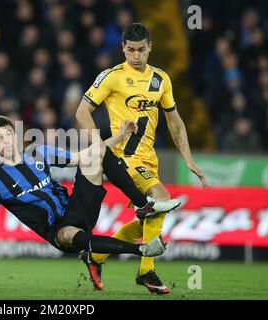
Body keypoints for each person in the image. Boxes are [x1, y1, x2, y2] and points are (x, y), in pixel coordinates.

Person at [0, 115, 181, 294]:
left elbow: (82, 157)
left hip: (75, 206)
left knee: (97, 153)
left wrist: (120, 136)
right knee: (69, 233)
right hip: (57, 230)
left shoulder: (38, 152)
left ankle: (143, 205)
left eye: (7, 134)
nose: (4, 141)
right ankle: (142, 250)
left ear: (14, 136)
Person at [76, 23, 207, 294]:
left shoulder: (161, 79)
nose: (136, 56)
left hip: (149, 160)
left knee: (150, 219)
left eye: (141, 50)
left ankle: (96, 255)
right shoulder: (111, 77)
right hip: (124, 158)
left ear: (150, 48)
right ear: (123, 47)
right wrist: (100, 147)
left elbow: (175, 123)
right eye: (131, 50)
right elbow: (81, 112)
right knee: (161, 199)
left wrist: (189, 159)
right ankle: (146, 270)